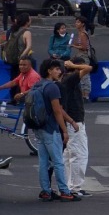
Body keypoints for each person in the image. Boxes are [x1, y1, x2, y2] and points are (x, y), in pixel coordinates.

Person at [30, 59, 79, 202]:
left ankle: (46, 191)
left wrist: (70, 121)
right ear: (49, 71)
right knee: (58, 161)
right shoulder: (52, 87)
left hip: (38, 127)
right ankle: (64, 191)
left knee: (43, 162)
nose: (59, 71)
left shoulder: (37, 85)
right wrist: (65, 130)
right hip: (51, 129)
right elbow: (58, 111)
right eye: (56, 69)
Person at [62, 57, 95, 197]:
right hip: (74, 122)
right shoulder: (71, 79)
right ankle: (75, 187)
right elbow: (89, 68)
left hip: (71, 121)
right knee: (79, 155)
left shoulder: (65, 80)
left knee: (69, 155)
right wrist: (74, 65)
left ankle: (67, 185)